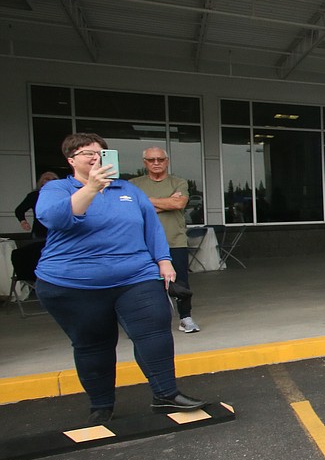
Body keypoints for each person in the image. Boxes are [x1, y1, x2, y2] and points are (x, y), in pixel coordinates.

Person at [34, 133, 207, 425]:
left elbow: (151, 226)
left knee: (154, 330)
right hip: (72, 284)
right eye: (87, 153)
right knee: (93, 343)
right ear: (71, 160)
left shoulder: (127, 189)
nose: (94, 158)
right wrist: (91, 187)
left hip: (135, 275)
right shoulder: (58, 189)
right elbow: (55, 219)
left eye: (100, 153)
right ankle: (101, 404)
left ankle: (165, 394)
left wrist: (164, 261)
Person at [131, 147, 199, 333]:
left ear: (167, 161)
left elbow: (178, 203)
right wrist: (166, 202)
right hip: (143, 244)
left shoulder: (178, 182)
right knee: (144, 284)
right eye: (151, 160)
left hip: (174, 241)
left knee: (181, 283)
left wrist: (145, 202)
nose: (156, 163)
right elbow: (131, 210)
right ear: (145, 162)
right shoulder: (133, 184)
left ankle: (186, 318)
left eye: (160, 159)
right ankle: (148, 321)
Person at [15, 171, 59, 239]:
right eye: (47, 179)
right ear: (42, 182)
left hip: (58, 230)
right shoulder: (35, 196)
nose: (51, 181)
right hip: (40, 230)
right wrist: (23, 222)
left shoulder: (62, 195)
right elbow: (19, 210)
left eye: (54, 179)